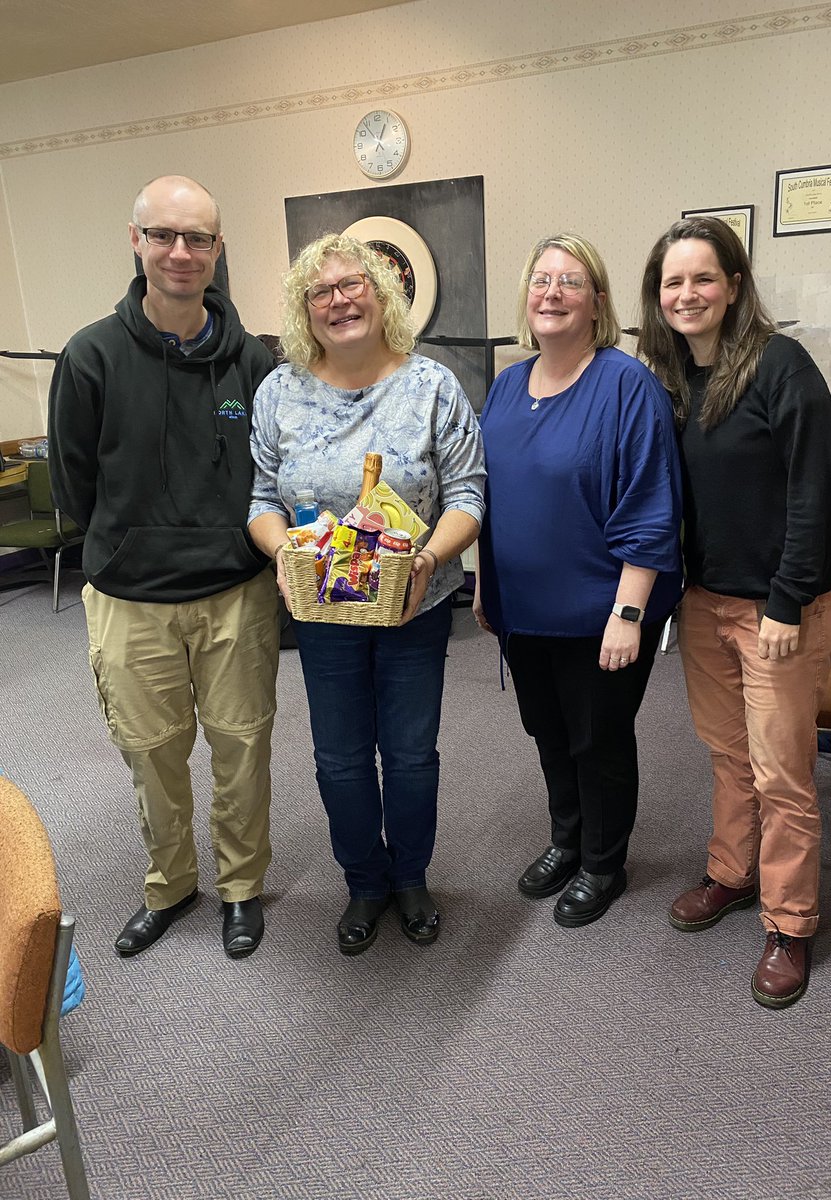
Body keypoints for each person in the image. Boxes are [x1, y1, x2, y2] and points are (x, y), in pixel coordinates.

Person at [49, 176, 280, 960]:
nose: (182, 253)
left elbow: (269, 472)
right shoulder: (90, 355)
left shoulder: (251, 361)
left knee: (242, 747)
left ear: (218, 251)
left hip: (233, 592)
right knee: (152, 755)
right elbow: (78, 479)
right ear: (136, 240)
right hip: (130, 596)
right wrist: (126, 542)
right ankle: (172, 885)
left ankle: (242, 888)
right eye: (165, 236)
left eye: (199, 239)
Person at [248, 232, 485, 956]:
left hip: (414, 603)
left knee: (411, 754)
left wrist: (427, 559)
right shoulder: (279, 391)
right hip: (323, 612)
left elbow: (470, 495)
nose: (340, 300)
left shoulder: (432, 386)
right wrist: (286, 552)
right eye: (323, 291)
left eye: (355, 286)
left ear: (384, 299)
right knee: (340, 758)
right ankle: (365, 881)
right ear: (304, 309)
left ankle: (410, 875)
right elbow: (261, 500)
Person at [638, 216, 831, 1009]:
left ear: (732, 286)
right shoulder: (667, 377)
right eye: (671, 282)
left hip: (779, 610)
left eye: (702, 278)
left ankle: (791, 923)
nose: (686, 294)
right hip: (704, 601)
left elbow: (814, 493)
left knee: (782, 774)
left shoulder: (782, 367)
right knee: (727, 756)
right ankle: (731, 873)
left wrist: (788, 601)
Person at [474, 233, 682, 928]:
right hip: (523, 606)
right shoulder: (505, 386)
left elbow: (652, 506)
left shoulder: (627, 386)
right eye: (541, 280)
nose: (552, 293)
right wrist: (483, 585)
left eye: (570, 281)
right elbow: (490, 498)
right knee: (548, 730)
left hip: (603, 609)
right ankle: (566, 838)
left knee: (599, 738)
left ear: (597, 302)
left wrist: (628, 612)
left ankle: (603, 861)